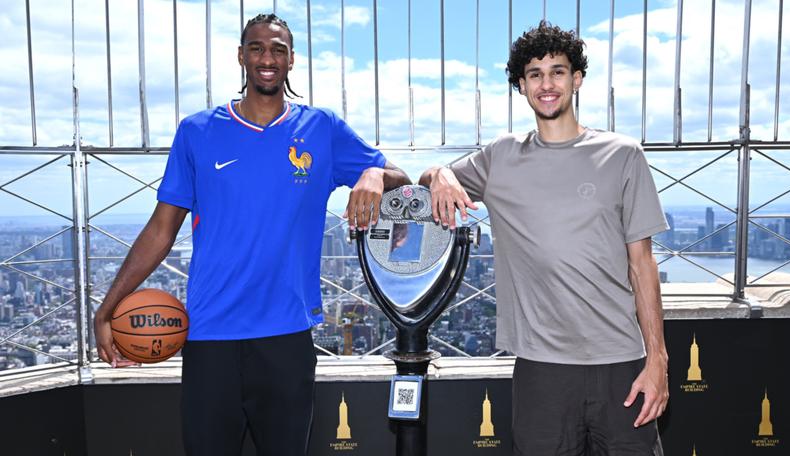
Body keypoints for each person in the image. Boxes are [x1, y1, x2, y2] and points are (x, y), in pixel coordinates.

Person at [93, 13, 410, 456]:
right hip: (209, 338)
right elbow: (161, 230)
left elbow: (401, 177)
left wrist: (374, 172)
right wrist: (106, 309)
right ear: (241, 56)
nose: (268, 58)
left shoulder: (323, 129)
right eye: (257, 48)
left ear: (291, 60)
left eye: (278, 49)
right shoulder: (197, 132)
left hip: (286, 339)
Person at [420, 21, 669, 456]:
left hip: (621, 363)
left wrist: (658, 361)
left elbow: (642, 264)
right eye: (534, 74)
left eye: (557, 71)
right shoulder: (500, 157)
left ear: (577, 79)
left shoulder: (623, 154)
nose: (546, 83)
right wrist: (439, 173)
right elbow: (427, 182)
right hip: (543, 371)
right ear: (521, 85)